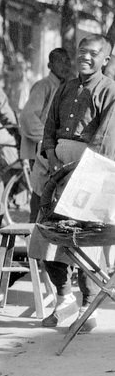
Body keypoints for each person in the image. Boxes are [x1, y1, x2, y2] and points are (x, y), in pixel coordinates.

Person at [30, 34, 115, 331]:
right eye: (81, 52)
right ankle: (63, 298)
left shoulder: (109, 91)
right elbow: (50, 127)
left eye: (93, 53)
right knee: (47, 234)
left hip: (88, 176)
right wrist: (53, 156)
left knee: (84, 240)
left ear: (105, 59)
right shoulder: (65, 87)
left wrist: (80, 171)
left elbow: (105, 139)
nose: (86, 57)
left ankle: (87, 307)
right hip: (57, 171)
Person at [19, 48, 72, 221]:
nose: (65, 65)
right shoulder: (44, 86)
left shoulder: (65, 86)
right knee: (40, 192)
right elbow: (28, 116)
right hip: (42, 149)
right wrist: (46, 139)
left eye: (67, 61)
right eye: (60, 61)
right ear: (50, 65)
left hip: (55, 149)